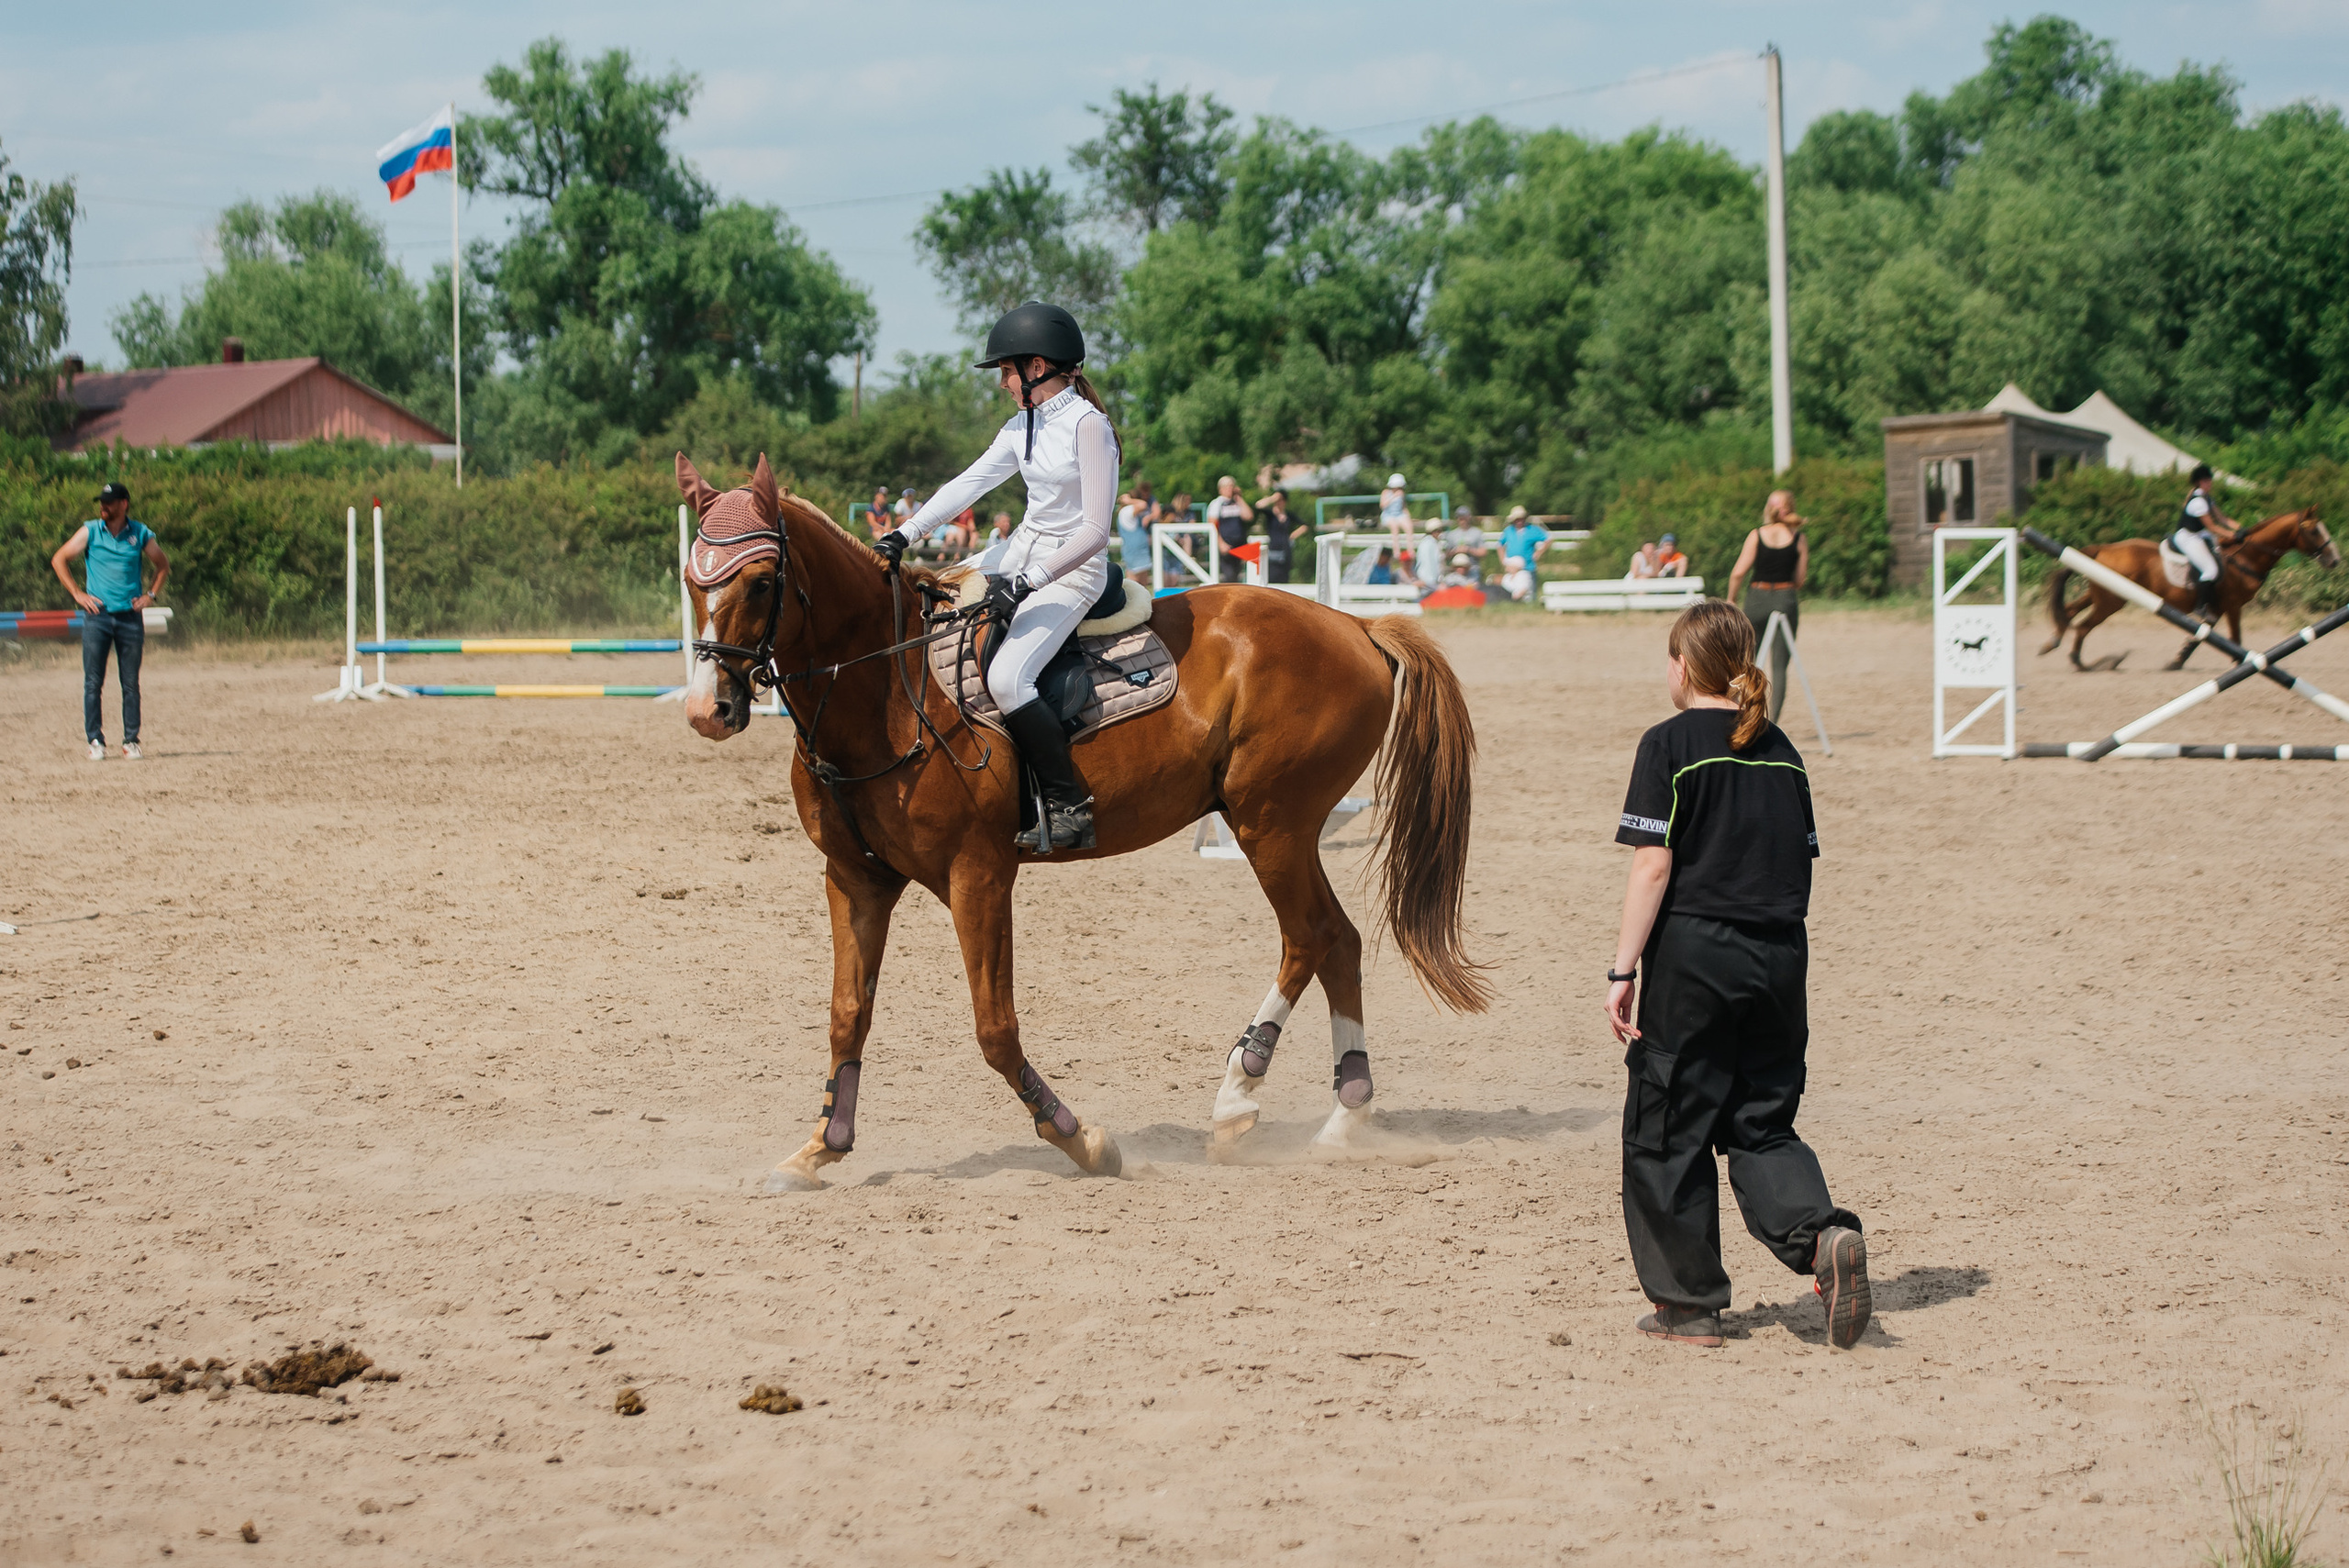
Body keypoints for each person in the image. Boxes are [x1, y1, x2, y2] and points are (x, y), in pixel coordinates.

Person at [1605, 600, 1869, 1351]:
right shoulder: (1782, 748)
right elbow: (1800, 862)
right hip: (1781, 955)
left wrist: (1623, 968)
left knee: (1668, 1125)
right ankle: (1821, 1239)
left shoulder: (1668, 744)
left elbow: (1653, 866)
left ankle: (1688, 1306)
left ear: (1683, 666)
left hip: (1696, 955)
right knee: (1762, 1123)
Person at [872, 301, 1119, 852]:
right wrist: (903, 535)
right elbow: (969, 483)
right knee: (935, 597)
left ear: (1037, 367)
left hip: (1073, 568)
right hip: (1020, 549)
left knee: (1009, 679)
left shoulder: (1089, 426)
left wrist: (1030, 581)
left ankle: (1068, 806)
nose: (1003, 383)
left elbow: (1095, 531)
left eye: (1006, 371)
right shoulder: (1023, 423)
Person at [1727, 490, 1808, 723]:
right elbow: (1799, 580)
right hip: (1785, 599)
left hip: (1757, 599)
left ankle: (1738, 714)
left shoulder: (1757, 534)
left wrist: (1731, 599)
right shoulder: (1799, 538)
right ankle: (1773, 724)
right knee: (1779, 667)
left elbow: (1738, 572)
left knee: (1745, 663)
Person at [2170, 462, 2238, 622]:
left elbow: (2223, 519)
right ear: (2200, 482)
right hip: (2188, 537)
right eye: (2207, 480)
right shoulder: (2198, 502)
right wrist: (2233, 535)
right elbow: (2212, 527)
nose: (2210, 483)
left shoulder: (2207, 498)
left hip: (2200, 535)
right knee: (2211, 570)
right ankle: (2200, 607)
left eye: (2210, 480)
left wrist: (2243, 529)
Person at [1206, 475, 1255, 583]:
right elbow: (1212, 525)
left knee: (1238, 575)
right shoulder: (1217, 504)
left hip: (1239, 545)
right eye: (1227, 486)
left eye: (1231, 486)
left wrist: (1239, 498)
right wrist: (1220, 543)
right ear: (1221, 489)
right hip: (1226, 545)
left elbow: (1249, 516)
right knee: (1229, 576)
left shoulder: (1237, 502)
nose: (1230, 489)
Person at [1257, 490, 1307, 584]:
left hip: (1286, 550)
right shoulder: (1270, 514)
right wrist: (1273, 498)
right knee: (1272, 577)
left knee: (1284, 578)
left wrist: (1292, 536)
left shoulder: (1288, 515)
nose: (1279, 502)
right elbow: (1258, 505)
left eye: (1281, 500)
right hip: (1274, 550)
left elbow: (1304, 526)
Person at [1498, 506, 1550, 582]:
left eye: (1521, 518)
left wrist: (1539, 552)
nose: (1519, 521)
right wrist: (1503, 561)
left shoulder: (1532, 529)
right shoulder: (1508, 531)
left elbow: (1548, 539)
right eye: (1517, 519)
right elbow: (1500, 545)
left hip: (1528, 568)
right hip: (1512, 568)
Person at [1117, 481, 1155, 579]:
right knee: (1134, 582)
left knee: (1140, 581)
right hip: (1135, 551)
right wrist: (1129, 501)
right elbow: (1143, 505)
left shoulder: (1128, 511)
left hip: (1137, 551)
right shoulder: (1127, 510)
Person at [1378, 473, 1412, 541]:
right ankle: (1396, 548)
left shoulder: (1402, 494)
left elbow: (1403, 507)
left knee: (1409, 527)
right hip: (1388, 515)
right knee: (1395, 528)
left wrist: (1408, 516)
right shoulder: (1385, 492)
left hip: (1400, 515)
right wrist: (1394, 497)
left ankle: (1410, 547)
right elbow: (1382, 505)